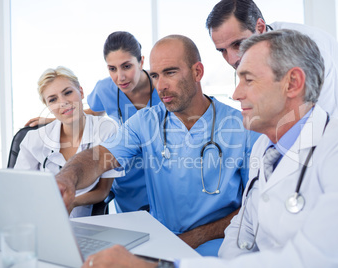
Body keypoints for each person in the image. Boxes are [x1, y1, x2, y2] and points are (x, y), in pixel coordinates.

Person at [79, 29, 338, 268]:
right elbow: (240, 239)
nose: (235, 93)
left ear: (293, 83)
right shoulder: (265, 150)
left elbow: (316, 258)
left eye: (248, 79)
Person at [56, 34, 260, 256]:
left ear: (197, 72)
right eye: (154, 75)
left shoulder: (243, 128)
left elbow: (255, 205)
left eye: (170, 72)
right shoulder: (145, 122)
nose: (160, 86)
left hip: (221, 244)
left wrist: (195, 237)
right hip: (162, 241)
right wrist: (68, 178)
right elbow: (98, 157)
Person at [26, 31, 160, 213]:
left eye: (126, 66)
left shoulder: (162, 87)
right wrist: (54, 118)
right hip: (127, 179)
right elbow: (93, 111)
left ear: (141, 61)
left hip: (160, 174)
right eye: (112, 68)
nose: (120, 77)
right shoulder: (106, 88)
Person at [206, 0, 338, 131]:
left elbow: (323, 124)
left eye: (238, 44)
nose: (231, 59)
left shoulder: (306, 47)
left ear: (260, 27)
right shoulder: (255, 59)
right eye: (222, 50)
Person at [14, 66, 123, 218]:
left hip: (85, 220)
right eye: (53, 99)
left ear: (81, 92)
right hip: (42, 217)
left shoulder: (106, 130)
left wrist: (70, 203)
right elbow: (21, 188)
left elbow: (103, 190)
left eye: (68, 92)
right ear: (48, 106)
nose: (63, 102)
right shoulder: (34, 139)